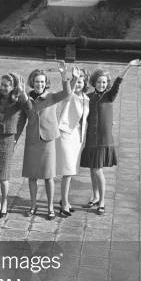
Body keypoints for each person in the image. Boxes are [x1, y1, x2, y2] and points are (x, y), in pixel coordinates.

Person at [80, 59, 141, 215]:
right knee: (92, 170)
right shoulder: (87, 97)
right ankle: (94, 197)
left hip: (103, 139)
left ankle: (102, 201)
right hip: (90, 137)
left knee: (98, 170)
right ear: (94, 82)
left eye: (104, 82)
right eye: (99, 82)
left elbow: (118, 81)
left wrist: (128, 66)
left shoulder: (109, 96)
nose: (102, 84)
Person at [22, 62, 74, 220]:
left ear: (46, 84)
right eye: (37, 81)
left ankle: (50, 207)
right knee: (32, 176)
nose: (39, 84)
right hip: (32, 140)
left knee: (48, 177)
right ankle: (33, 205)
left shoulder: (51, 97)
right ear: (33, 82)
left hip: (48, 141)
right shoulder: (26, 97)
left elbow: (67, 93)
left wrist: (64, 76)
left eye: (42, 82)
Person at [0, 73, 29, 218]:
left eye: (6, 85)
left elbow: (29, 109)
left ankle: (5, 201)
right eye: (1, 84)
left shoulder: (18, 99)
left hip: (8, 139)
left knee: (3, 176)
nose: (2, 87)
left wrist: (23, 92)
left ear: (13, 86)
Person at [56, 68, 90, 217]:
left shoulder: (86, 98)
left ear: (85, 83)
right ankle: (63, 203)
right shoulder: (68, 95)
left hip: (77, 137)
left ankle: (66, 200)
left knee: (70, 172)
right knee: (67, 172)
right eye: (76, 82)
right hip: (65, 134)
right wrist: (71, 78)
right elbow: (68, 91)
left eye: (80, 82)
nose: (78, 85)